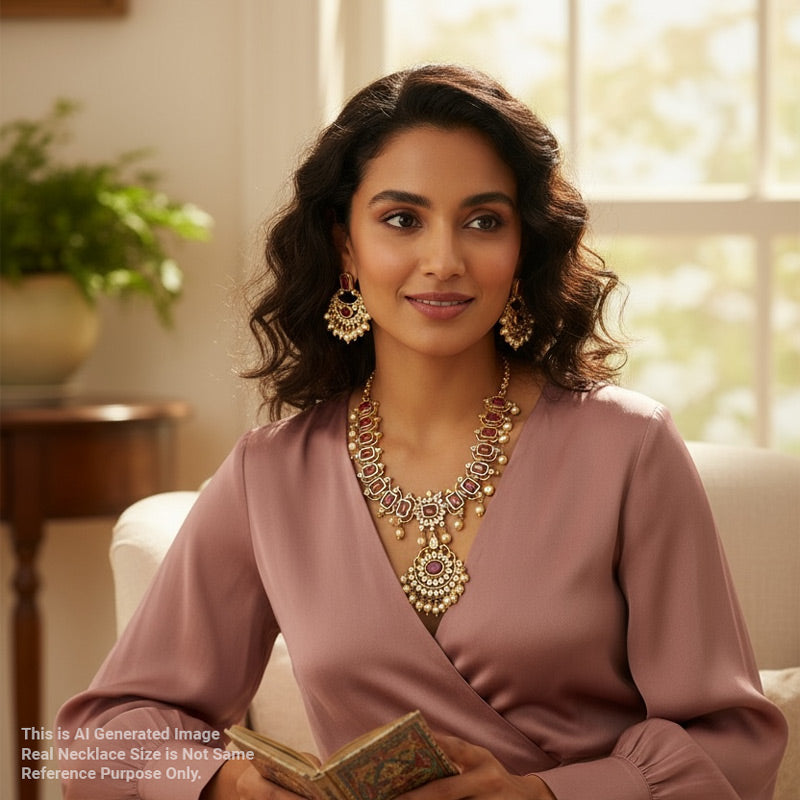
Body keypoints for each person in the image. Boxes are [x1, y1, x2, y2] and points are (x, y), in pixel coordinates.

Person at [56, 64, 787, 800]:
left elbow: (734, 743)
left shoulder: (628, 448)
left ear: (522, 247)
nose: (443, 261)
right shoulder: (270, 475)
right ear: (346, 247)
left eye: (483, 221)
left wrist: (547, 796)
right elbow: (95, 739)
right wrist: (229, 783)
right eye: (402, 219)